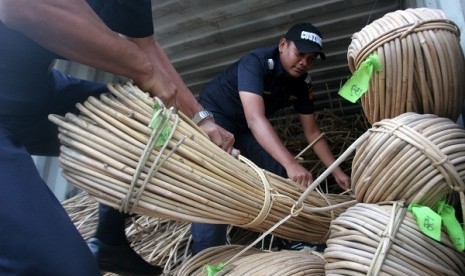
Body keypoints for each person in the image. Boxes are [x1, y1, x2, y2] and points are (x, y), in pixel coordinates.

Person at [0, 1, 234, 275]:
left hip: (33, 91)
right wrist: (143, 70)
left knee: (144, 119)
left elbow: (144, 44)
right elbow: (19, 7)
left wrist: (200, 120)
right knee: (65, 270)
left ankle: (109, 240)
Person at [190, 22, 351, 254]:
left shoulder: (302, 82)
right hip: (216, 120)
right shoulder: (256, 62)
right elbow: (256, 119)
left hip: (244, 129)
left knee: (282, 174)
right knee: (218, 182)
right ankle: (205, 254)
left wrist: (337, 172)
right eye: (300, 53)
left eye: (312, 58)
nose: (304, 62)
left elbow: (312, 132)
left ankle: (291, 236)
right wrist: (291, 163)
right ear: (283, 45)